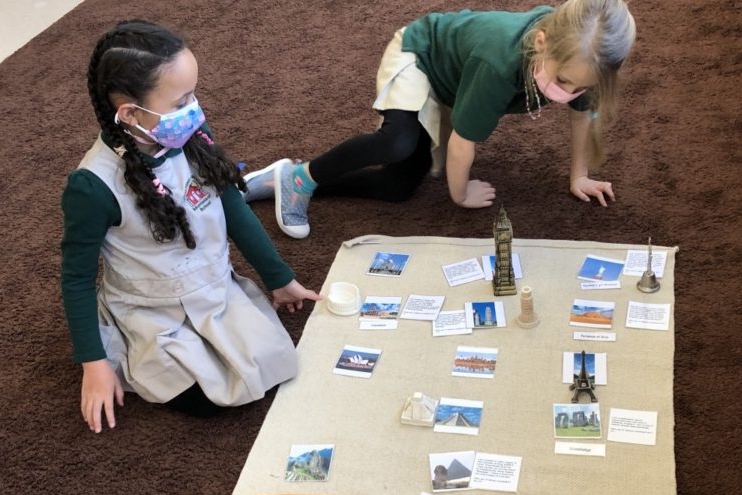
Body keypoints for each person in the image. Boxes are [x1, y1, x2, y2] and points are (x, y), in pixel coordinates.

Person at [61, 20, 321, 433]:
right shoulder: (92, 187)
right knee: (206, 402)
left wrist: (279, 277)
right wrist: (94, 364)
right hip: (153, 309)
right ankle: (130, 348)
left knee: (275, 363)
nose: (195, 110)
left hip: (212, 288)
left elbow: (233, 207)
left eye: (194, 95)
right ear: (130, 113)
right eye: (182, 101)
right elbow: (75, 277)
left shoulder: (193, 135)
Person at [243, 0, 636, 239]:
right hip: (421, 55)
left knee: (398, 187)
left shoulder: (590, 61)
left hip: (454, 82)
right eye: (564, 82)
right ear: (540, 44)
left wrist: (579, 175)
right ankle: (302, 178)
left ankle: (284, 178)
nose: (568, 93)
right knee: (396, 142)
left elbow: (584, 116)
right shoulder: (497, 66)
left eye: (579, 87)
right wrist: (460, 195)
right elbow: (464, 142)